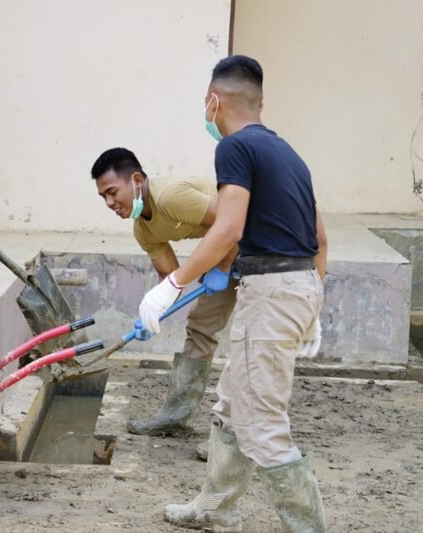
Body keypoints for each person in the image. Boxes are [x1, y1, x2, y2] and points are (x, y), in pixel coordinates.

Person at [140, 56, 328, 532]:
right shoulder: (288, 154)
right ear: (259, 102)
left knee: (263, 423)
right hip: (294, 284)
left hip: (271, 293)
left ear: (213, 100)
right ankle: (216, 507)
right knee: (230, 403)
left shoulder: (235, 148)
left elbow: (227, 230)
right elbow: (320, 237)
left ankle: (308, 528)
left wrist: (172, 285)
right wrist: (313, 303)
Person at [91, 148, 238, 437]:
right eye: (103, 197)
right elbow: (169, 277)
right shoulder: (143, 229)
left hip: (261, 244)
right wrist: (151, 313)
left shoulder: (170, 197)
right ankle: (174, 417)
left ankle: (237, 438)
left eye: (112, 192)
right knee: (200, 327)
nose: (110, 203)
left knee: (252, 335)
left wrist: (222, 267)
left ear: (135, 179)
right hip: (229, 250)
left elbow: (234, 222)